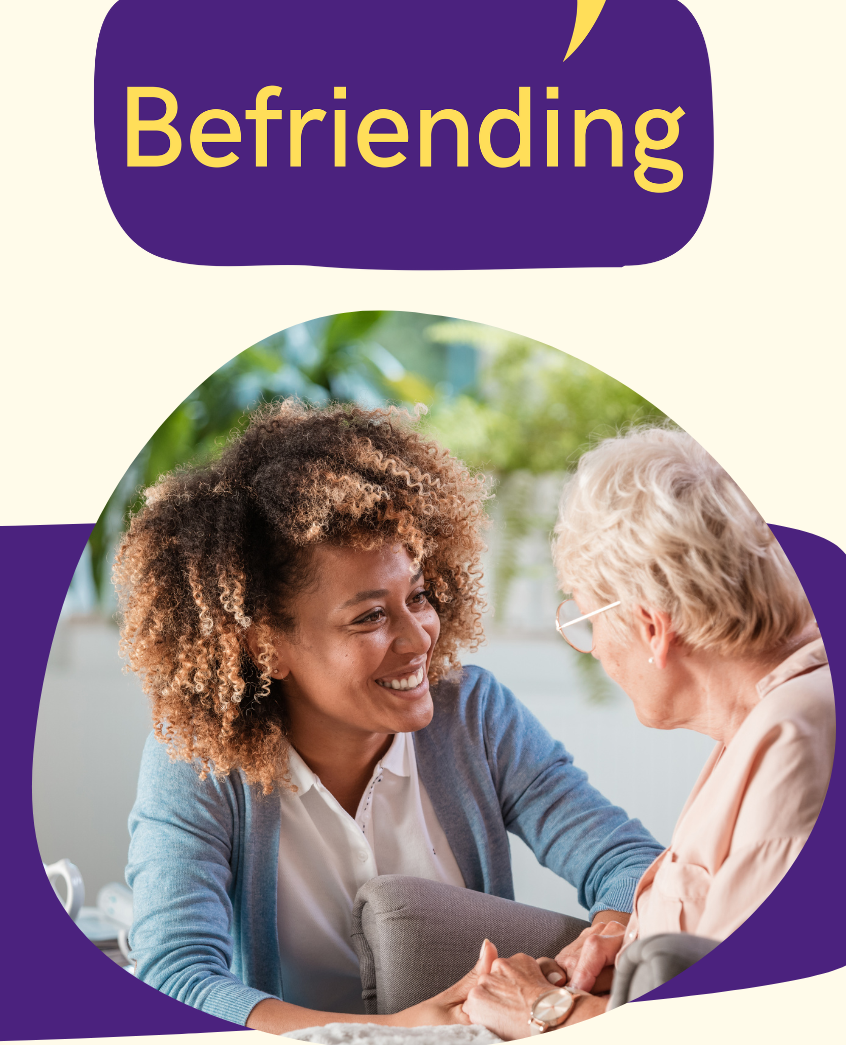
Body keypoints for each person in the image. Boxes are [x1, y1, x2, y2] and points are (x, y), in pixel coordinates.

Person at [117, 402, 664, 1033]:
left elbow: (627, 861)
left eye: (419, 597)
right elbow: (177, 978)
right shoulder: (197, 760)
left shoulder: (475, 717)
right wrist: (394, 1033)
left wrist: (610, 930)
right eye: (370, 617)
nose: (419, 638)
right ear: (266, 645)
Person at [459, 427, 830, 1037]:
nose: (597, 651)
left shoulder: (797, 740)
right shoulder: (760, 724)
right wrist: (626, 945)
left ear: (652, 627)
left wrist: (543, 1010)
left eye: (587, 618)